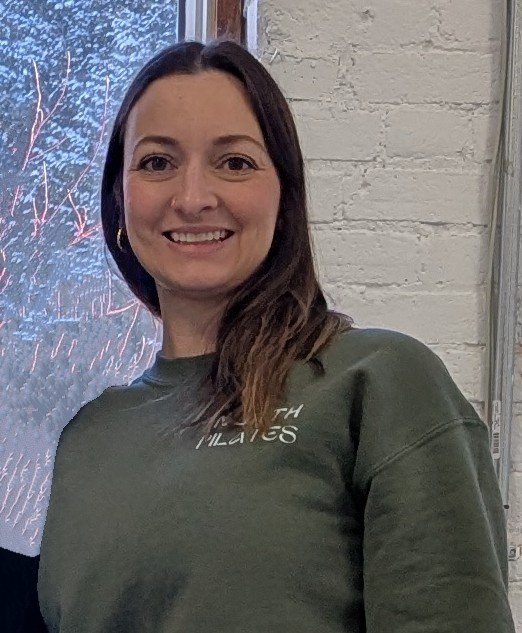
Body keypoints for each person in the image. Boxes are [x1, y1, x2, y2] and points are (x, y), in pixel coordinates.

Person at [1, 37, 516, 633]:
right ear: (120, 198)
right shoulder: (89, 439)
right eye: (157, 163)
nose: (193, 198)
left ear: (284, 193)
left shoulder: (379, 382)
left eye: (235, 162)